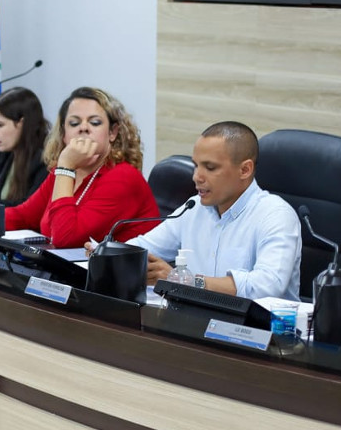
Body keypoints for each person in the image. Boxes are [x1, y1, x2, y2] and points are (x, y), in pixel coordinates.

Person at [118, 121, 302, 300]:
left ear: (245, 170)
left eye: (210, 167)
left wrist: (184, 281)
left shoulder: (276, 215)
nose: (196, 177)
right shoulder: (194, 207)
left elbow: (268, 286)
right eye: (196, 165)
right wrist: (106, 253)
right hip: (194, 322)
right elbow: (143, 247)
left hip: (260, 328)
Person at [4, 87, 158, 247]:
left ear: (112, 133)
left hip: (117, 271)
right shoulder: (65, 171)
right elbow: (22, 216)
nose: (83, 128)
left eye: (95, 122)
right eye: (74, 123)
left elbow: (66, 239)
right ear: (64, 134)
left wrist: (66, 168)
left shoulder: (123, 176)